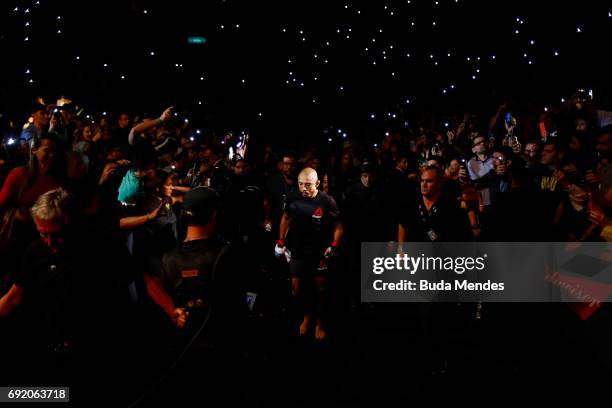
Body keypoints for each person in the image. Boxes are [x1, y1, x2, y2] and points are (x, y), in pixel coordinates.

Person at [276, 167, 343, 340]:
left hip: (320, 253)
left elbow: (338, 226)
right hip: (298, 251)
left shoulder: (327, 201)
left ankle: (320, 321)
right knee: (297, 290)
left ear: (318, 183)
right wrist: (281, 240)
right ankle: (306, 317)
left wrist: (334, 245)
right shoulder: (292, 197)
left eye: (308, 185)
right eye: (301, 184)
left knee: (320, 289)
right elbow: (285, 218)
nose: (304, 188)